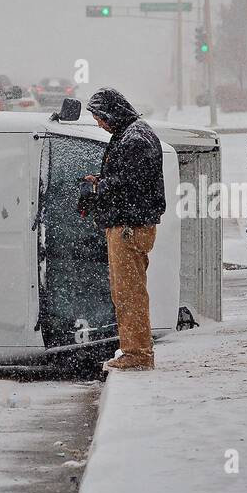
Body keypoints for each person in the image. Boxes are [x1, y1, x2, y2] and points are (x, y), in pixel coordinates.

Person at [82, 88, 168, 371]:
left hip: (129, 226)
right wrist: (102, 181)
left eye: (99, 117)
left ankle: (138, 354)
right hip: (126, 223)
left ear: (111, 113)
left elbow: (132, 185)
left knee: (128, 293)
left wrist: (98, 187)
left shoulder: (135, 139)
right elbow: (127, 178)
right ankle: (134, 350)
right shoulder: (130, 134)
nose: (99, 124)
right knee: (124, 292)